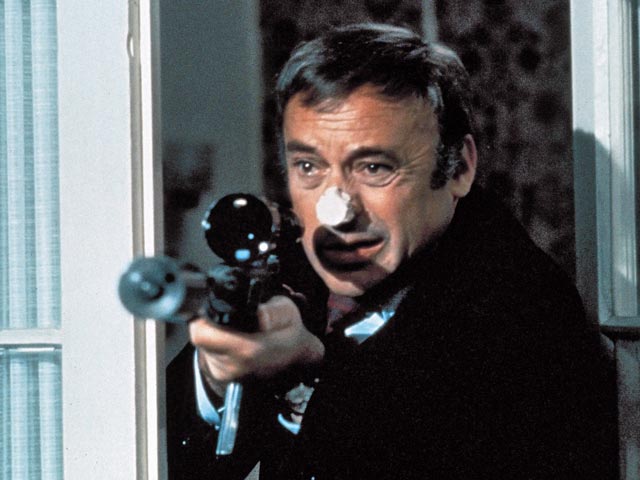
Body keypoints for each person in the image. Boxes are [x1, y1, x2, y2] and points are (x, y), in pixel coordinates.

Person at [167, 23, 618, 479]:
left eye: (374, 168)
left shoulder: (520, 307)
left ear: (458, 169)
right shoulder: (304, 267)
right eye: (308, 166)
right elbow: (160, 455)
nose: (335, 211)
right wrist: (216, 375)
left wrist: (316, 367)